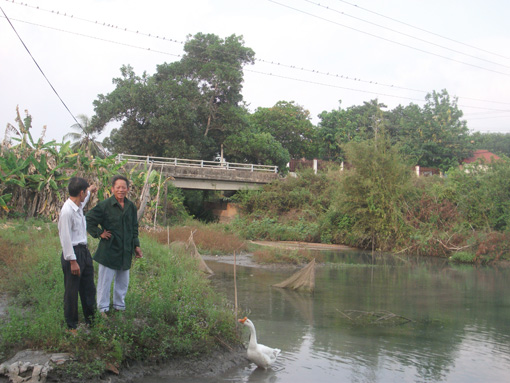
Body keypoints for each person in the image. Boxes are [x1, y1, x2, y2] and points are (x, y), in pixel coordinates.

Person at [86, 175, 143, 315]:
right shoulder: (105, 205)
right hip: (109, 250)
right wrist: (99, 233)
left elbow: (134, 227)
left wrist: (136, 245)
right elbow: (88, 219)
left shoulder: (131, 207)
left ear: (128, 189)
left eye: (123, 187)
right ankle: (102, 309)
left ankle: (119, 307)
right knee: (105, 282)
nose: (121, 190)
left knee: (123, 282)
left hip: (125, 250)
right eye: (118, 187)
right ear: (112, 189)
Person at [58, 177, 97, 331]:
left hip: (84, 252)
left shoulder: (78, 205)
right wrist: (73, 261)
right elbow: (65, 238)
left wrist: (91, 188)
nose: (86, 194)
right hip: (73, 254)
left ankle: (91, 322)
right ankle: (71, 326)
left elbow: (86, 198)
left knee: (88, 288)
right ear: (81, 192)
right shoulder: (67, 211)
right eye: (85, 191)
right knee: (72, 292)